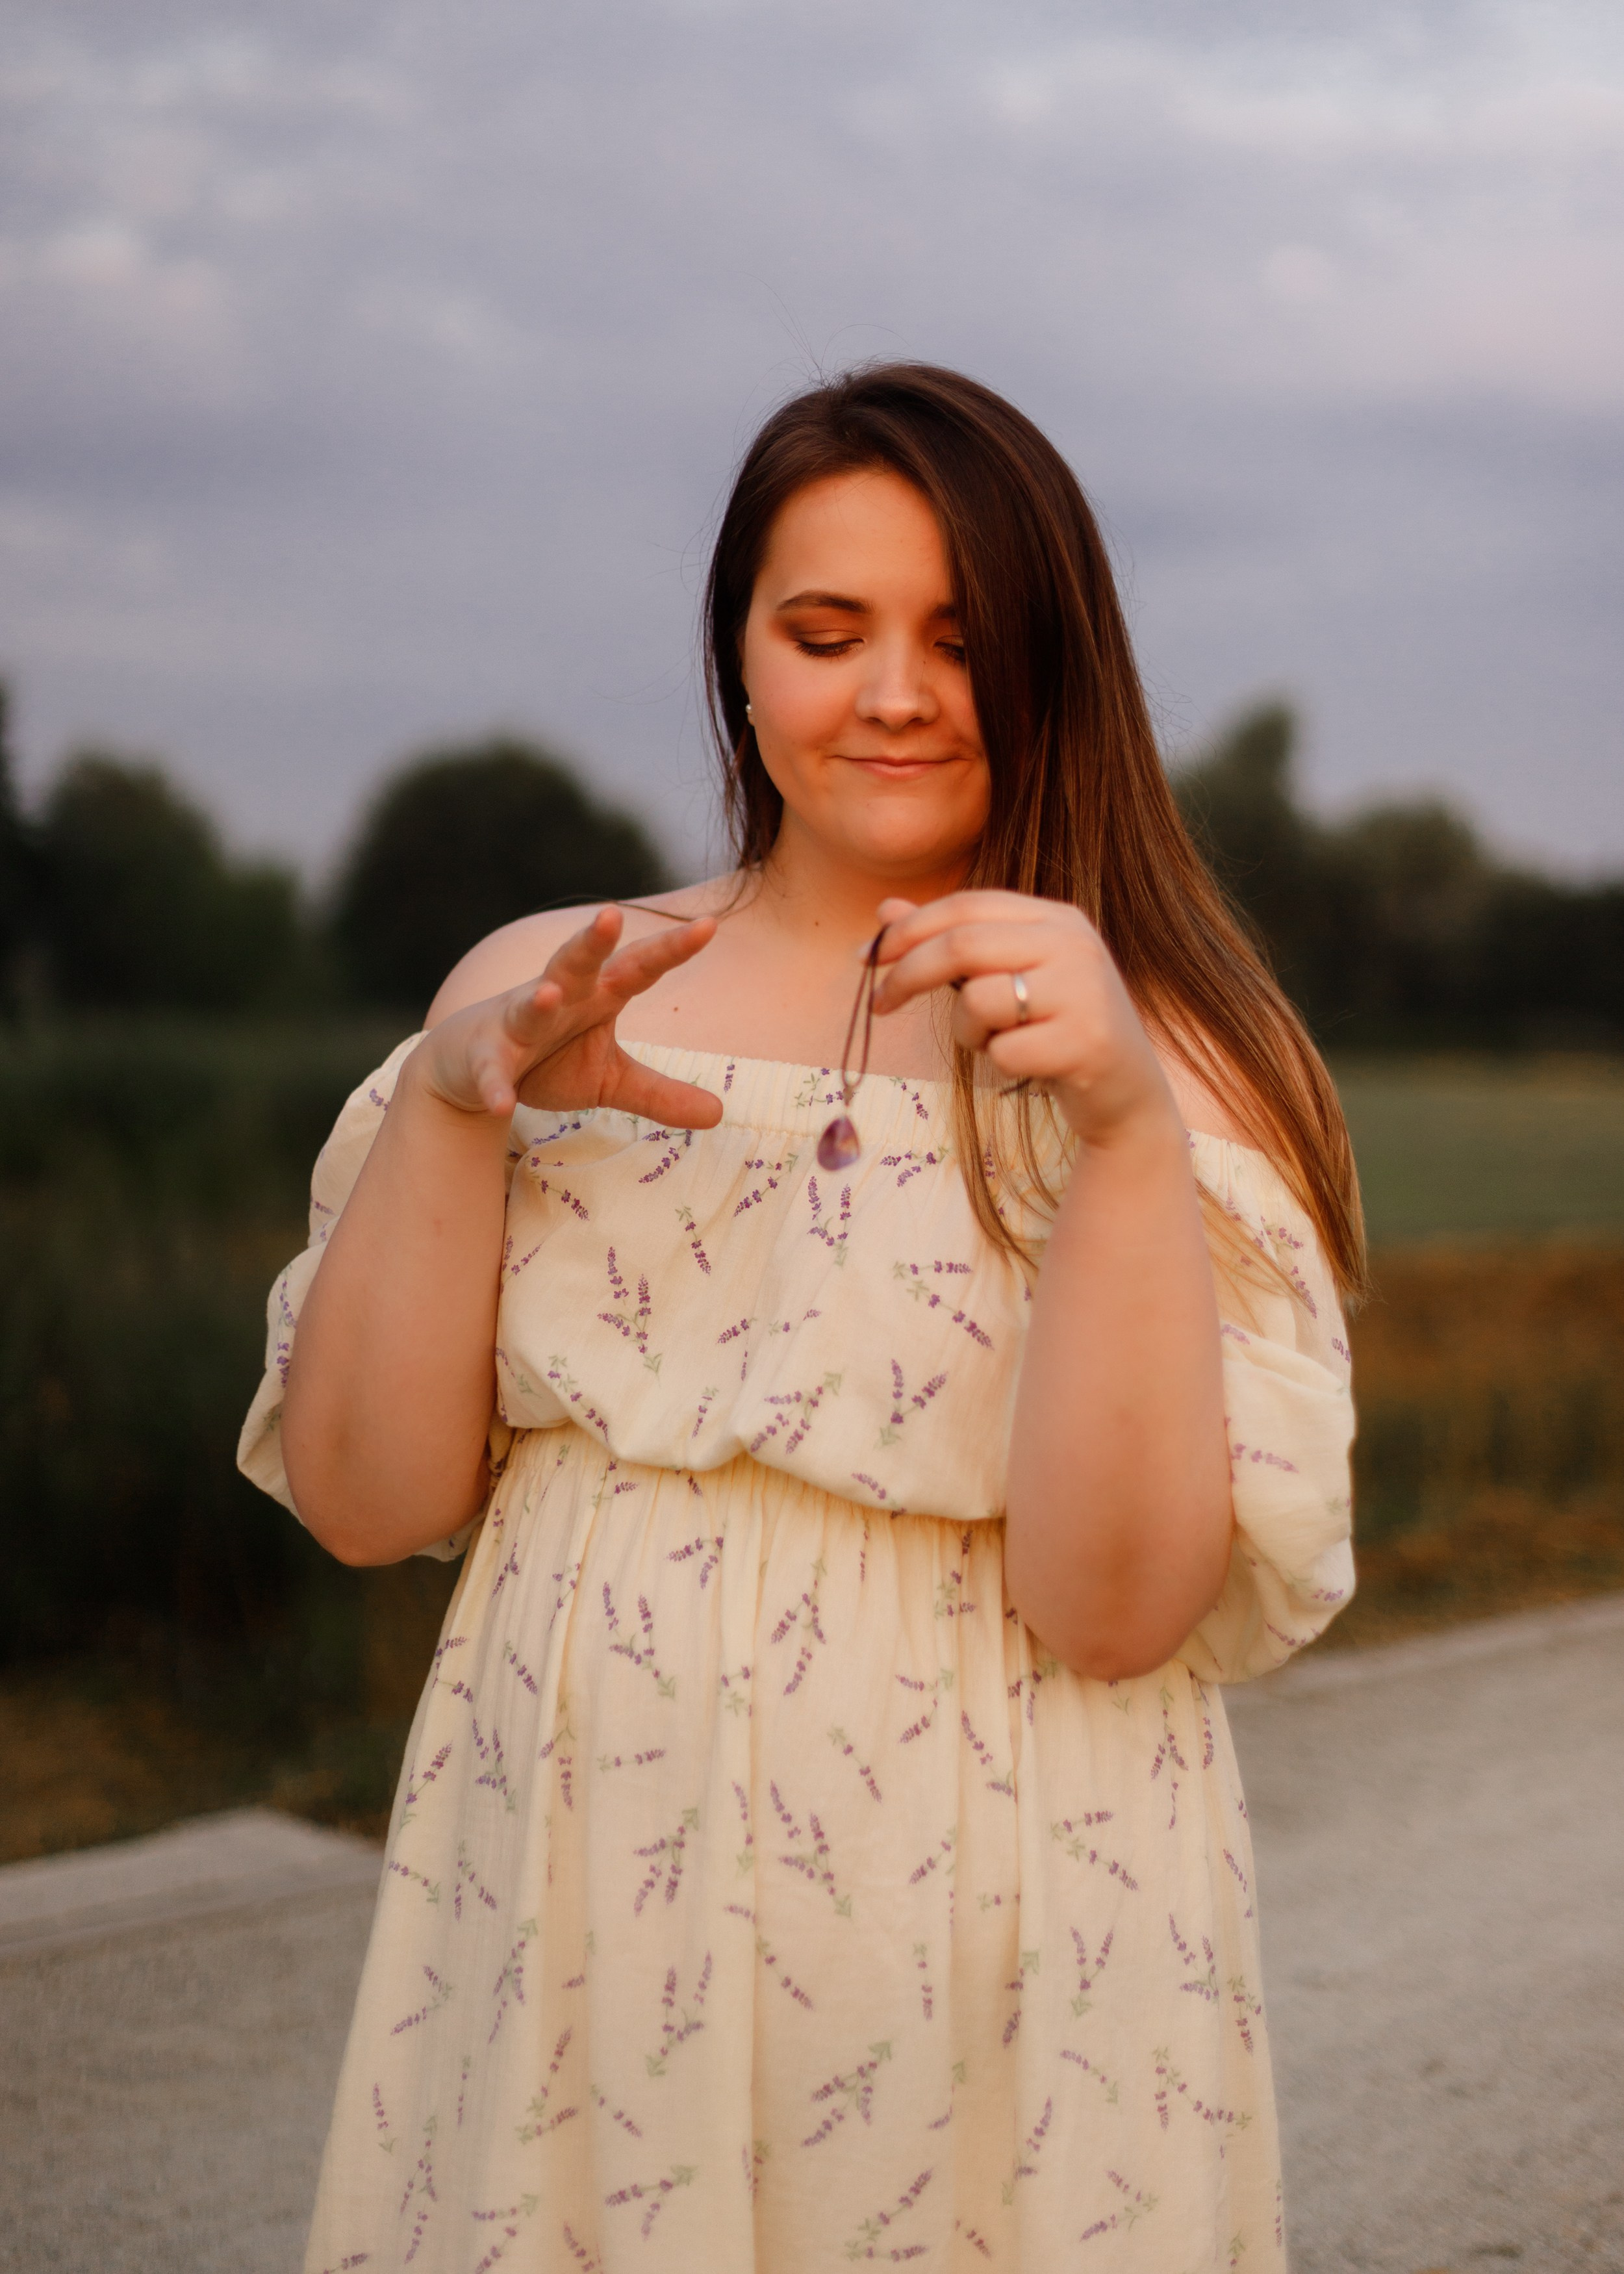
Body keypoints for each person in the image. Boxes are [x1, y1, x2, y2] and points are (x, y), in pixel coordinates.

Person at [240, 363, 1360, 2273]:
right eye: (825, 630)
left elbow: (1112, 1605)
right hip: (584, 1914)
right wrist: (450, 1104)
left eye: (963, 638)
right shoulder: (553, 986)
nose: (897, 691)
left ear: (1061, 664)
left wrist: (1111, 1133)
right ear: (738, 655)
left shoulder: (1166, 1063)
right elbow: (361, 1497)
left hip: (997, 1942)